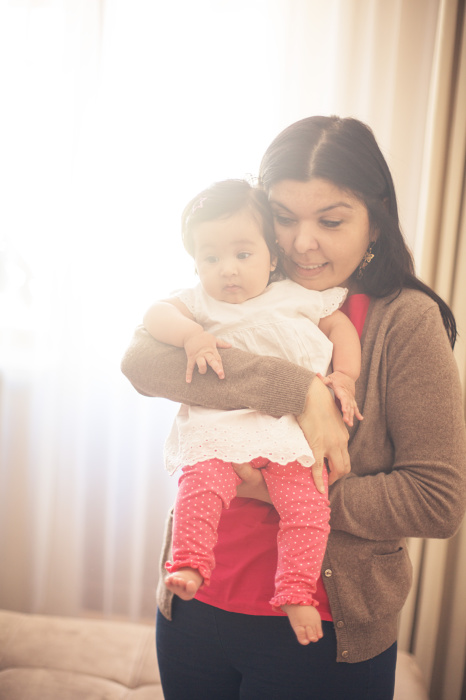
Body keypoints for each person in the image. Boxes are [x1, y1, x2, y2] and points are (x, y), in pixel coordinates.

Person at [121, 116, 466, 700]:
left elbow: (438, 500)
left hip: (323, 632)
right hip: (194, 608)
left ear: (375, 219)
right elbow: (141, 363)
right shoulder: (233, 284)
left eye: (331, 221)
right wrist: (300, 390)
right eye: (284, 218)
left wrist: (281, 491)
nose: (303, 243)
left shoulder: (404, 321)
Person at [142, 179, 363, 646]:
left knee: (308, 509)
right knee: (199, 488)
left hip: (289, 437)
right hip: (220, 433)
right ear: (195, 263)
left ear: (272, 256)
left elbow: (339, 327)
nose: (228, 269)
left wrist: (344, 377)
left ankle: (296, 591)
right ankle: (190, 563)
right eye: (210, 258)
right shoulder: (199, 302)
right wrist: (191, 336)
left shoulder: (294, 295)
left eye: (243, 254)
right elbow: (155, 316)